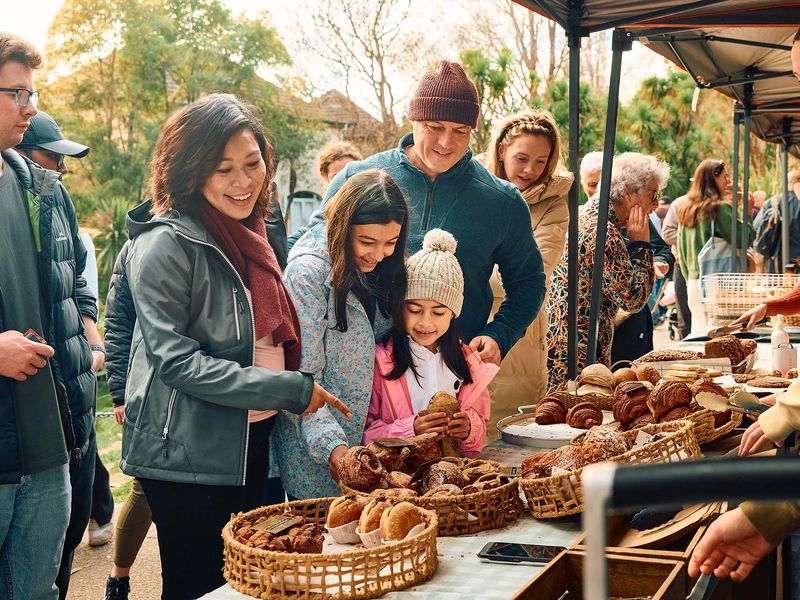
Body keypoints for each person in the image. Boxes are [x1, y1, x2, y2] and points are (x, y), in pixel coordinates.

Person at [121, 93, 348, 600]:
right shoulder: (166, 243)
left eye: (253, 164)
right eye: (224, 170)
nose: (244, 182)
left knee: (243, 584)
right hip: (188, 452)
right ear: (190, 171)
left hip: (250, 438)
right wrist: (288, 389)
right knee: (198, 586)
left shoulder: (253, 231)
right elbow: (178, 363)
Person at [289, 60, 545, 367]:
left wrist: (499, 334)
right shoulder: (356, 178)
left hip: (453, 370)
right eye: (434, 128)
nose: (446, 142)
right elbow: (308, 247)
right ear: (413, 121)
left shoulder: (503, 201)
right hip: (358, 368)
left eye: (460, 131)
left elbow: (529, 283)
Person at [0, 32, 99, 599]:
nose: (31, 108)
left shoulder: (44, 190)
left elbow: (71, 297)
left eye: (31, 93)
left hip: (51, 457)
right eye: (17, 93)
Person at [273, 169, 409, 499]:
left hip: (368, 444)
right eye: (367, 242)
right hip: (317, 454)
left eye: (390, 243)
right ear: (343, 226)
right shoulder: (308, 275)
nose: (378, 254)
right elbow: (303, 383)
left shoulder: (381, 270)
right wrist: (336, 451)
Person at [17, 110, 115, 550]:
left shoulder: (59, 200)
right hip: (31, 400)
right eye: (53, 158)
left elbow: (77, 277)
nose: (63, 168)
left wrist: (93, 341)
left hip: (76, 386)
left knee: (71, 526)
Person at [364, 228, 498, 455]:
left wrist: (469, 429)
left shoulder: (468, 361)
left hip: (451, 480)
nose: (425, 322)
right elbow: (364, 434)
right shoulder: (380, 361)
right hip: (402, 481)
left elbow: (479, 434)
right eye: (415, 310)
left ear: (453, 314)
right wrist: (411, 430)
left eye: (438, 313)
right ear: (400, 307)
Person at [479, 109, 572, 433]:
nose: (531, 169)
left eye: (542, 161)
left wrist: (471, 269)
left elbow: (532, 274)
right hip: (453, 331)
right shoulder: (472, 188)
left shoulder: (553, 204)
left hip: (517, 337)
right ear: (501, 151)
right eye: (522, 158)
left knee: (505, 435)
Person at [547, 152, 669, 389]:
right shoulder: (602, 231)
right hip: (579, 354)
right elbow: (633, 299)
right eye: (652, 195)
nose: (655, 204)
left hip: (571, 344)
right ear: (626, 192)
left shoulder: (589, 216)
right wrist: (641, 245)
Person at [662, 193, 692, 338]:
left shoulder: (722, 204)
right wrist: (691, 238)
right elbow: (667, 233)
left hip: (713, 269)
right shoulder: (681, 202)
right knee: (685, 317)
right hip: (683, 264)